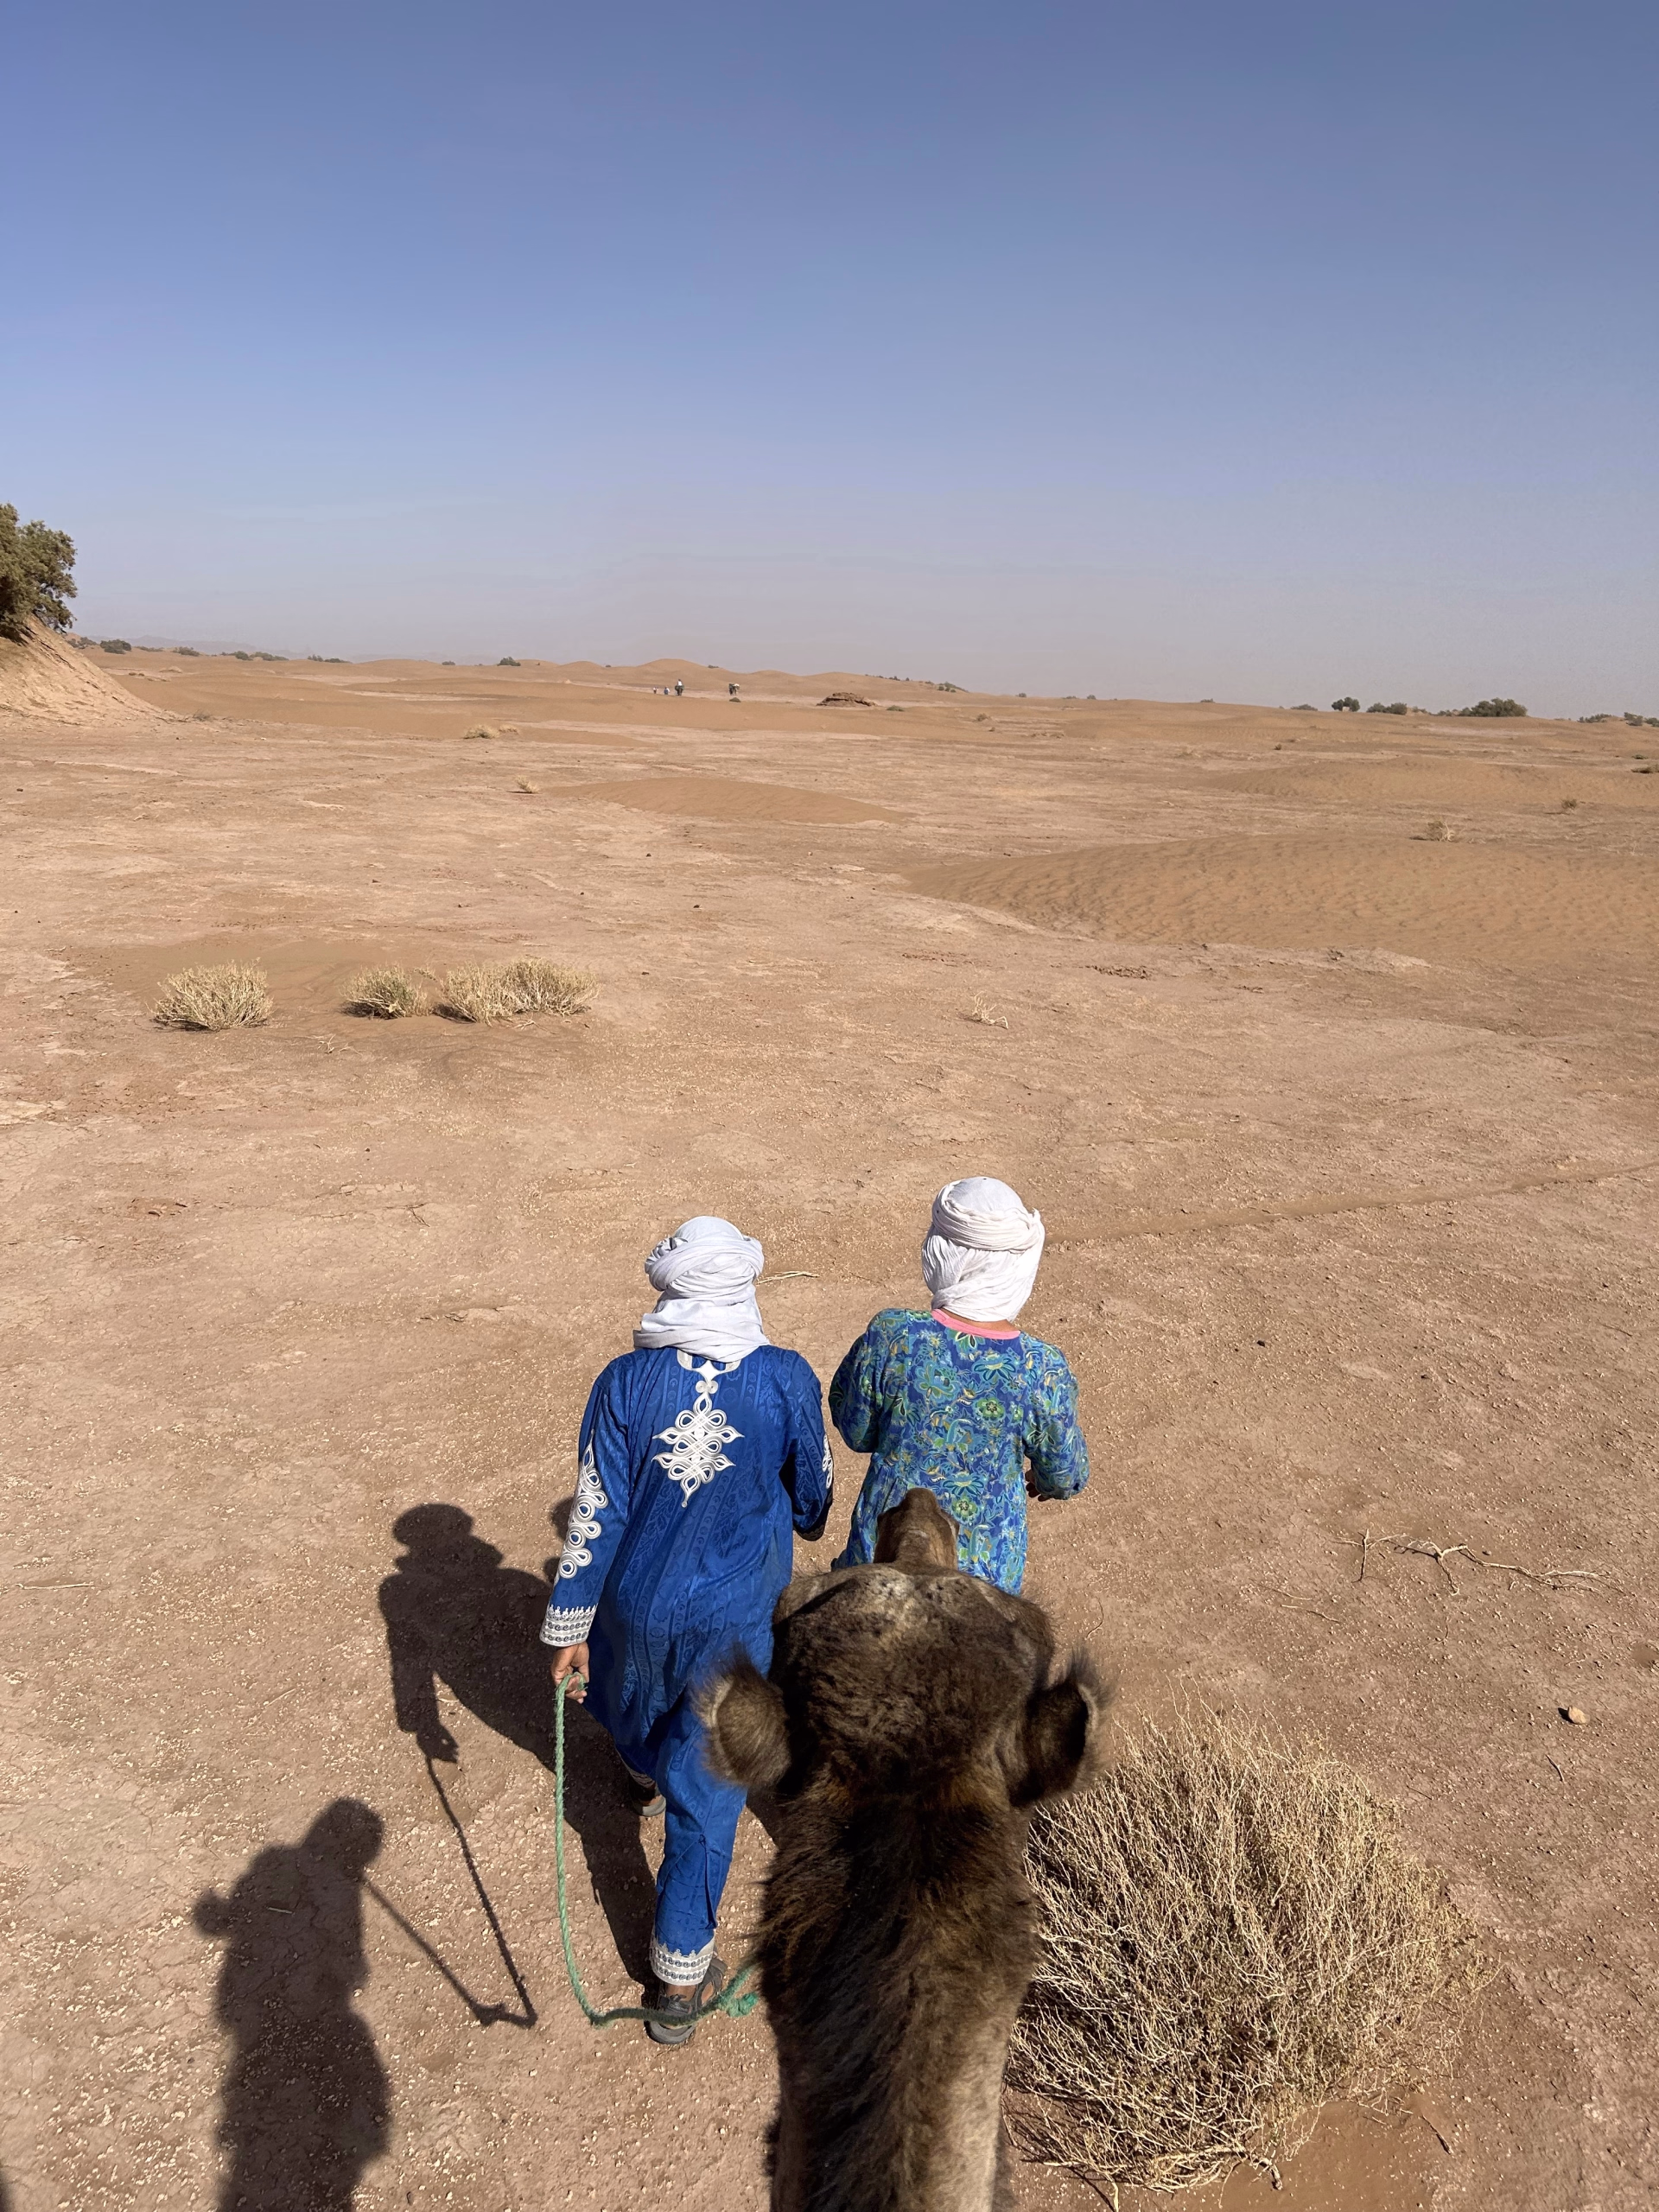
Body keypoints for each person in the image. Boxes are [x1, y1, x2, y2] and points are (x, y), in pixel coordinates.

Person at [543, 1216, 831, 2043]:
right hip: (735, 1624)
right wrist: (801, 1514)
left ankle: (638, 1773)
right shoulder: (783, 1377)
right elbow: (811, 1490)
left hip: (633, 1610)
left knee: (634, 1712)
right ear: (743, 1285)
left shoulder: (624, 1382)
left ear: (670, 1287)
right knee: (708, 1788)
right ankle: (676, 1979)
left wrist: (570, 1624)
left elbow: (597, 1510)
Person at [829, 1177, 1087, 1593]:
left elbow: (856, 1430)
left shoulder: (892, 1335)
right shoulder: (1041, 1368)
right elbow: (1064, 1475)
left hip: (881, 1555)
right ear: (1018, 1263)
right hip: (984, 1581)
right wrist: (1042, 1476)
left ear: (939, 1251)